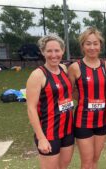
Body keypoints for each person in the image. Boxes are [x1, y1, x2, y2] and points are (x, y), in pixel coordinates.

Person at [26, 34, 74, 169]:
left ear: (63, 51)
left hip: (68, 130)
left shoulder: (64, 69)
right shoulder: (38, 75)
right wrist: (41, 138)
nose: (54, 55)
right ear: (43, 52)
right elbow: (31, 108)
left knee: (63, 166)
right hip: (49, 132)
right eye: (49, 51)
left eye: (57, 50)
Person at [68, 27, 106, 169]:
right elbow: (70, 91)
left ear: (100, 46)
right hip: (83, 120)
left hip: (102, 120)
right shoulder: (75, 67)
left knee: (95, 161)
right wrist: (83, 99)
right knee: (86, 162)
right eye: (88, 43)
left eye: (95, 43)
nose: (92, 47)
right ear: (82, 46)